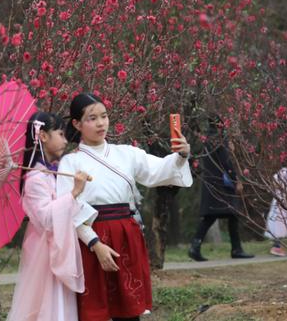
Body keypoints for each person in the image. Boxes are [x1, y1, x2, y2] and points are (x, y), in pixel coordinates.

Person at [57, 93, 193, 321]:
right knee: (95, 310)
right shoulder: (70, 162)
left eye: (104, 116)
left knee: (129, 310)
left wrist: (181, 155)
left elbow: (160, 170)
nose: (101, 123)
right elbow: (70, 208)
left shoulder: (126, 153)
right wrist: (95, 244)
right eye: (92, 118)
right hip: (91, 240)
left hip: (126, 236)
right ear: (76, 124)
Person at [7, 111, 97, 321]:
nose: (66, 140)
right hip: (45, 254)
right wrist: (73, 193)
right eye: (61, 134)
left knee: (61, 305)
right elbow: (46, 219)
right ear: (44, 136)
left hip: (58, 248)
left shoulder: (54, 173)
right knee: (48, 306)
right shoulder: (34, 179)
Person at [188, 116, 253, 261]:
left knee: (213, 216)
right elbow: (226, 163)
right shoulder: (219, 140)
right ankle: (236, 249)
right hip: (221, 185)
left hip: (210, 184)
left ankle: (195, 246)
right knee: (230, 215)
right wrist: (236, 180)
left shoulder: (207, 140)